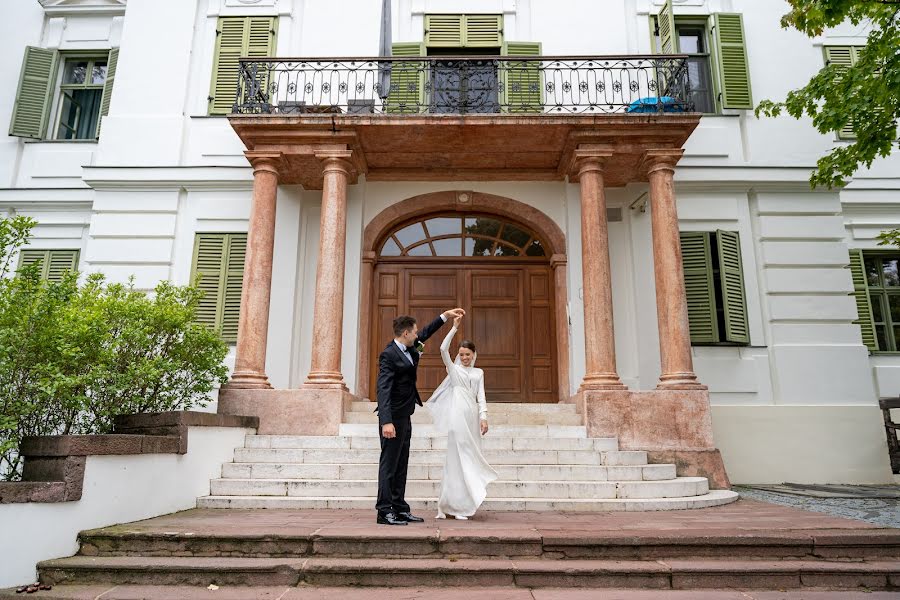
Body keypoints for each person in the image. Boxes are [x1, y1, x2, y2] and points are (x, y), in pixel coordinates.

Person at [375, 308, 465, 526]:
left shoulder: (409, 346)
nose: (417, 335)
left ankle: (399, 508)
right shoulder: (389, 355)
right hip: (393, 417)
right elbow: (383, 389)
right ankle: (384, 511)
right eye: (413, 332)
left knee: (402, 462)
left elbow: (426, 333)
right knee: (389, 465)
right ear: (405, 333)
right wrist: (386, 421)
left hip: (406, 414)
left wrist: (445, 316)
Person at [426, 313, 498, 520]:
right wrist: (454, 328)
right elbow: (442, 349)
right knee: (458, 458)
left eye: (468, 354)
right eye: (462, 354)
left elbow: (481, 397)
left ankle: (462, 505)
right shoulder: (454, 370)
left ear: (474, 355)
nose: (465, 357)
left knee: (469, 458)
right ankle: (450, 505)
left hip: (472, 417)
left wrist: (484, 417)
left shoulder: (479, 373)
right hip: (457, 417)